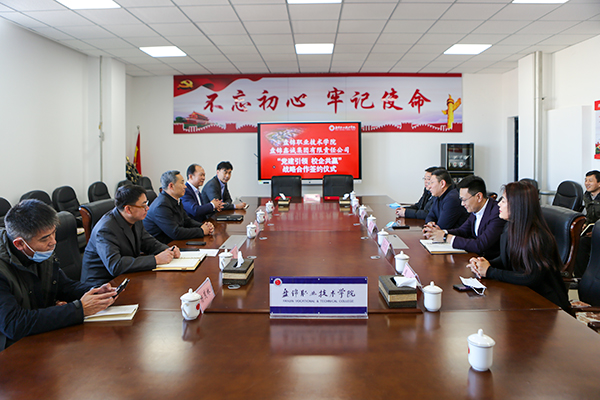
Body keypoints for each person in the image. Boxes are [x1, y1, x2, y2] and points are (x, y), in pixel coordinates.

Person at [0, 200, 116, 350]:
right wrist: (79, 309)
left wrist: (96, 291)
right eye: (44, 238)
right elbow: (14, 324)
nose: (53, 241)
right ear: (19, 244)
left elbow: (65, 286)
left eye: (54, 232)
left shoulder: (37, 251)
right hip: (12, 349)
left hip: (40, 335)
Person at [467, 181, 570, 311]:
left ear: (517, 205)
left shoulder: (537, 236)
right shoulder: (510, 227)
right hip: (523, 295)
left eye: (503, 201)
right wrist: (483, 263)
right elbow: (506, 259)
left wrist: (490, 271)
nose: (499, 204)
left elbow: (531, 277)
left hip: (546, 304)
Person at [80, 185, 181, 286]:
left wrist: (167, 250)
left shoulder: (135, 218)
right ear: (128, 209)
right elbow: (115, 265)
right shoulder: (105, 229)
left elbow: (148, 242)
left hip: (125, 277)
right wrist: (156, 260)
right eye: (143, 205)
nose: (147, 208)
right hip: (101, 285)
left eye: (147, 203)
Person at [423, 176, 505, 259]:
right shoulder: (475, 208)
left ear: (479, 197)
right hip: (475, 258)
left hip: (490, 261)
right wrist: (441, 232)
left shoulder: (497, 213)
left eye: (464, 200)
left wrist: (445, 237)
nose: (462, 204)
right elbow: (463, 231)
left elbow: (480, 244)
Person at [144, 170, 214, 244]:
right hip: (162, 246)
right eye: (182, 183)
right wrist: (201, 231)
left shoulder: (175, 200)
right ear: (171, 186)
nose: (185, 186)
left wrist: (203, 226)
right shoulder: (161, 206)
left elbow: (186, 220)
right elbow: (175, 232)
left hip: (174, 243)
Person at [574, 170, 600, 277]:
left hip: (598, 231)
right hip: (592, 229)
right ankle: (580, 277)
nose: (587, 183)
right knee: (577, 241)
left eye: (590, 181)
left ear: (599, 183)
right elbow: (590, 215)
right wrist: (585, 224)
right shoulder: (587, 195)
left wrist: (596, 232)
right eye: (586, 180)